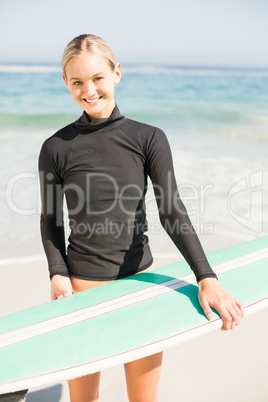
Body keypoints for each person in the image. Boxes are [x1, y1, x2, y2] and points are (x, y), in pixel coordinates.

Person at [38, 34, 245, 402]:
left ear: (116, 73)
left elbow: (171, 210)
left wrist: (206, 277)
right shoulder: (56, 147)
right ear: (66, 83)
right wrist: (58, 275)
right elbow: (51, 220)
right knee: (83, 399)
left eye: (98, 78)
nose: (90, 90)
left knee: (144, 398)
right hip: (81, 290)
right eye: (78, 82)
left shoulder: (148, 138)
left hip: (140, 287)